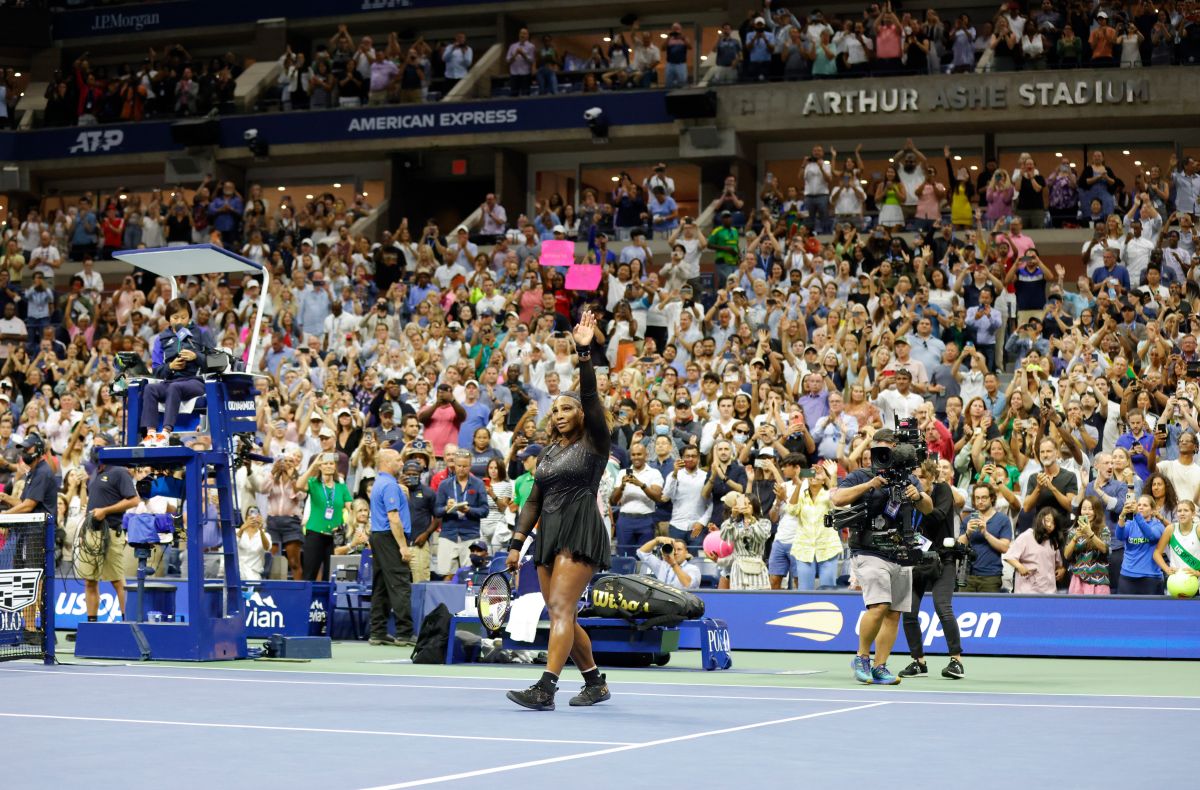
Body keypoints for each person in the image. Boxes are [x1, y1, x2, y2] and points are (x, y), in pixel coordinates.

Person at [504, 310, 612, 711]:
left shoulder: (596, 441)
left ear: (581, 415)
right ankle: (595, 682)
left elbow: (589, 395)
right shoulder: (548, 453)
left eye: (567, 409)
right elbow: (533, 499)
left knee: (563, 609)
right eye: (555, 411)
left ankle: (546, 688)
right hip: (547, 532)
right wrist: (516, 544)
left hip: (580, 527)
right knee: (560, 613)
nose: (560, 414)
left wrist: (584, 354)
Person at [831, 429, 933, 686]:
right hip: (868, 550)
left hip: (901, 551)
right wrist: (869, 485)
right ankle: (861, 657)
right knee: (878, 606)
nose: (885, 456)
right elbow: (837, 498)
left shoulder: (908, 478)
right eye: (880, 450)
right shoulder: (861, 475)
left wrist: (918, 495)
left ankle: (880, 666)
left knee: (894, 613)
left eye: (890, 450)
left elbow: (928, 507)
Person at [899, 460, 964, 680]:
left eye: (921, 478)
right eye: (914, 478)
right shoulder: (908, 494)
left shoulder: (942, 489)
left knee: (942, 606)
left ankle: (956, 661)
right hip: (917, 559)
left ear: (930, 477)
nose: (916, 482)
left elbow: (937, 516)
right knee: (909, 612)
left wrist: (919, 500)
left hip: (943, 558)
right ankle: (918, 662)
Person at [76, 437, 140, 622]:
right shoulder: (96, 472)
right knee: (89, 580)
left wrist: (106, 511)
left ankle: (126, 621)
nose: (96, 447)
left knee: (116, 580)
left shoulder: (119, 471)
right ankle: (92, 623)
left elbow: (133, 500)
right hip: (91, 532)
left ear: (110, 448)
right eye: (94, 443)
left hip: (110, 531)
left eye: (100, 443)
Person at [140, 297, 208, 446]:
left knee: (174, 388)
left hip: (194, 382)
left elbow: (213, 362)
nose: (179, 321)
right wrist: (170, 367)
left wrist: (196, 356)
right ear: (168, 319)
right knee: (150, 389)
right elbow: (156, 371)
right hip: (170, 380)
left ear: (189, 317)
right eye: (175, 317)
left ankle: (165, 434)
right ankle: (151, 434)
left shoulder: (199, 334)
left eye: (184, 317)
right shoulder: (161, 339)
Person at [368, 449, 415, 646]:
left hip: (378, 537)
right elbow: (394, 518)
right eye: (397, 459)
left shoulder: (381, 483)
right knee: (400, 583)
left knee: (381, 586)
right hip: (390, 538)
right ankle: (404, 632)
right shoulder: (389, 485)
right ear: (387, 462)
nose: (401, 462)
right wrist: (403, 547)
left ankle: (377, 631)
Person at [296, 452, 353, 582]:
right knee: (309, 574)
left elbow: (351, 509)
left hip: (335, 537)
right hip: (315, 534)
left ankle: (329, 602)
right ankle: (307, 602)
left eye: (331, 463)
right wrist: (313, 466)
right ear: (320, 467)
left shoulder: (341, 487)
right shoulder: (313, 483)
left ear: (335, 467)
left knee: (332, 576)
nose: (328, 466)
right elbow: (298, 485)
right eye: (325, 463)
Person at [434, 448, 487, 580]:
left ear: (470, 466)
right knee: (446, 574)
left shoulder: (478, 484)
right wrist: (447, 507)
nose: (461, 469)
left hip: (470, 535)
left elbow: (485, 510)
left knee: (469, 575)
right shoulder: (444, 485)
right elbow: (436, 511)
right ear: (454, 465)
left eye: (465, 466)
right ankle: (445, 601)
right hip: (448, 534)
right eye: (459, 466)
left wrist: (469, 510)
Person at [611, 442, 664, 556]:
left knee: (645, 557)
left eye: (639, 454)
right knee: (624, 556)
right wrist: (622, 486)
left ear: (646, 455)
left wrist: (641, 484)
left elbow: (657, 497)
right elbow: (613, 500)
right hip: (625, 520)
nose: (636, 457)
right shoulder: (622, 473)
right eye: (633, 454)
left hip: (646, 520)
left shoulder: (654, 473)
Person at [1114, 493, 1166, 594]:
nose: (1141, 507)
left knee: (1151, 610)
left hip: (1150, 578)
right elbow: (1120, 536)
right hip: (1127, 576)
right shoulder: (1130, 523)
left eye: (1145, 505)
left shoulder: (1158, 526)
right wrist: (1122, 516)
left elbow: (1150, 535)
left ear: (1152, 510)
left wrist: (1137, 515)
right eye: (1139, 505)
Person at [1004, 508, 1064, 593]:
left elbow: (1059, 566)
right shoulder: (1026, 536)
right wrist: (1020, 566)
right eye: (1047, 520)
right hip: (1027, 591)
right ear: (1040, 519)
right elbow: (1009, 556)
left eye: (1053, 523)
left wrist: (1061, 570)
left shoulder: (1053, 541)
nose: (1050, 525)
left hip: (1049, 591)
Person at [718, 493, 771, 590]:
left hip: (758, 566)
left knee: (762, 601)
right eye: (744, 503)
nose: (746, 506)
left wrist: (751, 519)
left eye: (749, 503)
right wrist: (732, 517)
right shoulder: (734, 524)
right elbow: (724, 536)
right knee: (739, 601)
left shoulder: (764, 522)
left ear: (755, 506)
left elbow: (762, 537)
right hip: (739, 568)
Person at [1064, 496, 1111, 594]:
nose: (1086, 512)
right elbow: (1066, 555)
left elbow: (1105, 550)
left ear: (1096, 511)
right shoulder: (1074, 531)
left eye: (1090, 509)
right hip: (1078, 579)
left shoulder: (1104, 530)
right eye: (1084, 508)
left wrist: (1090, 533)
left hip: (1098, 580)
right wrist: (1075, 538)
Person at [1153, 499, 1200, 580]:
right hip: (1175, 581)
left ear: (1193, 513)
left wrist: (1198, 573)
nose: (1182, 513)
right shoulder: (1170, 529)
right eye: (1179, 511)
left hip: (1194, 581)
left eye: (1186, 510)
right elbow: (1156, 553)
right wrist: (1166, 569)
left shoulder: (1198, 529)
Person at [637, 535, 701, 589]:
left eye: (679, 549)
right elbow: (641, 553)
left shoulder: (693, 568)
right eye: (674, 550)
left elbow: (689, 585)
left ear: (686, 552)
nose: (676, 552)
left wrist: (673, 564)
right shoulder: (662, 565)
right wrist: (657, 540)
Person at [236, 506, 272, 581]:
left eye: (256, 514)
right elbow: (232, 546)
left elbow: (267, 548)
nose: (253, 517)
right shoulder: (237, 532)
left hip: (254, 574)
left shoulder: (265, 535)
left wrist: (261, 530)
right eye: (250, 514)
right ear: (245, 517)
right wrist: (242, 529)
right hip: (237, 573)